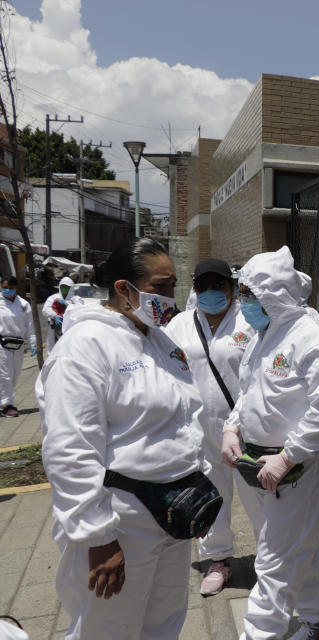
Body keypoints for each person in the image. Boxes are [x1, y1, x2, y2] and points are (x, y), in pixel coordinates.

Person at [36, 237, 216, 639]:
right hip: (123, 518)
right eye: (161, 286)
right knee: (110, 627)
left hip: (175, 510)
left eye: (174, 286)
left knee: (164, 620)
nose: (171, 297)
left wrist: (198, 488)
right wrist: (97, 537)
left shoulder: (161, 341)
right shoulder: (85, 348)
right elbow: (71, 449)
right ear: (123, 289)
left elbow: (187, 417)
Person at [221, 246, 319, 640]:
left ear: (272, 294)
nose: (242, 302)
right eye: (242, 293)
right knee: (296, 545)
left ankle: (260, 634)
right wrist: (232, 427)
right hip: (258, 463)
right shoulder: (265, 334)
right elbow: (250, 391)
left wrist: (288, 457)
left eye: (248, 294)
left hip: (297, 467)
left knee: (275, 560)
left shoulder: (312, 339)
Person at [164, 258, 260, 597]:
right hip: (200, 433)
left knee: (260, 501)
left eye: (217, 285)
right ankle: (218, 560)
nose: (210, 292)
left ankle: (272, 563)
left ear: (231, 288)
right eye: (202, 286)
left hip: (246, 433)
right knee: (211, 501)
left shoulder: (249, 321)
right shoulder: (179, 325)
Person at [0, 276, 36, 417]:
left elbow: (30, 325)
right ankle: (7, 405)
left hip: (18, 344)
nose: (7, 290)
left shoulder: (23, 304)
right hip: (2, 344)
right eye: (5, 287)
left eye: (10, 287)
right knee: (5, 375)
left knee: (14, 375)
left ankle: (5, 400)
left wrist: (32, 342)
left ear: (16, 287)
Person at [41, 276, 73, 349]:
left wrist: (67, 304)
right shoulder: (53, 298)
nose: (64, 289)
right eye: (62, 287)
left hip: (69, 328)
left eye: (66, 287)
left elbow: (78, 308)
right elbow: (45, 309)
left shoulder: (75, 298)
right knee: (53, 348)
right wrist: (54, 315)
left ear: (71, 288)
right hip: (55, 327)